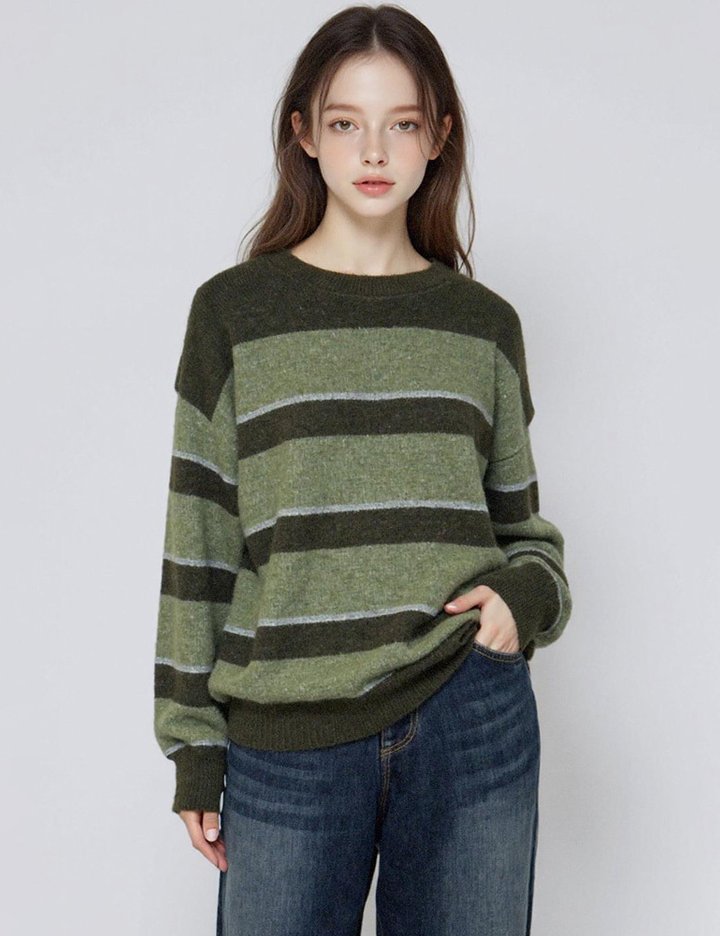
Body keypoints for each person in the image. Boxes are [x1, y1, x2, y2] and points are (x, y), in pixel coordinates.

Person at [153, 5, 573, 934]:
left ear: (438, 137)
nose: (373, 151)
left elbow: (524, 533)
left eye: (402, 123)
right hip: (286, 737)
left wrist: (521, 601)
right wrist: (193, 748)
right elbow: (200, 544)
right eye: (346, 122)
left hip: (469, 715)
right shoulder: (235, 314)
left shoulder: (482, 326)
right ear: (304, 133)